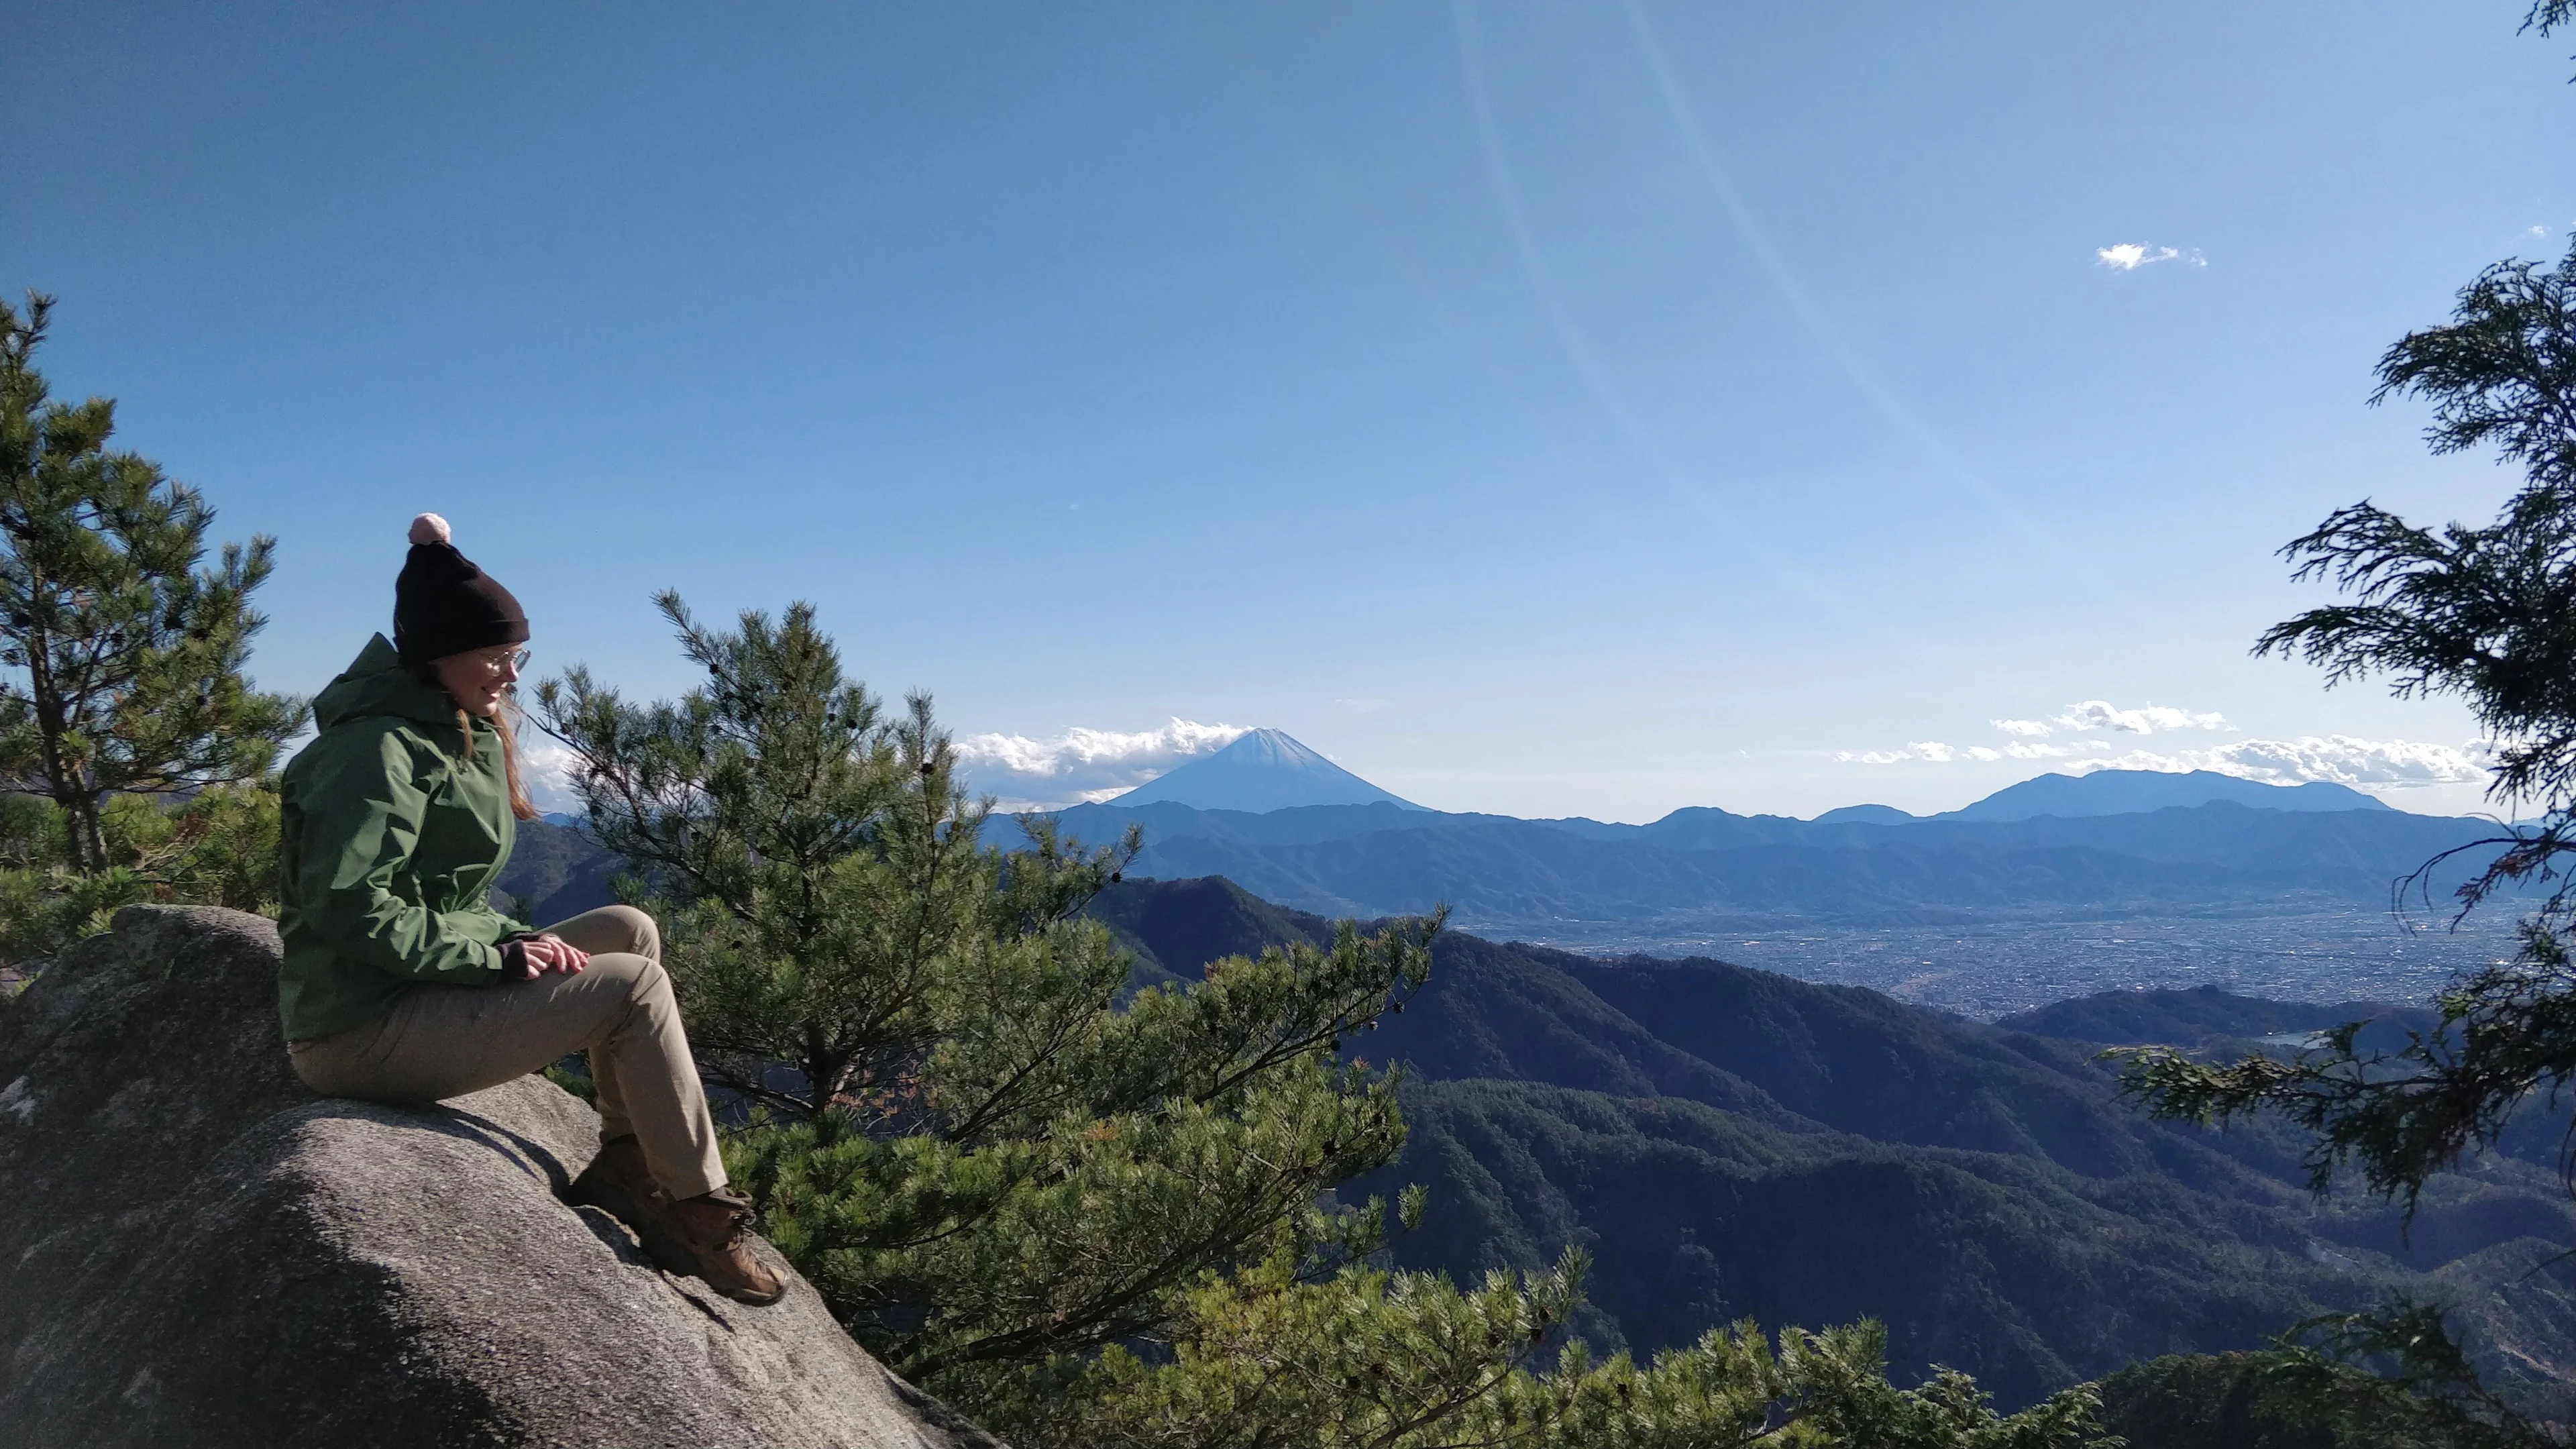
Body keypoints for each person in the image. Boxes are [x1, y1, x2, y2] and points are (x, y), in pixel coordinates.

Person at [274, 513, 783, 1305]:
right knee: (630, 989)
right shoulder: (375, 753)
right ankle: (697, 1210)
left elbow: (443, 899)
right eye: (497, 655)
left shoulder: (450, 729)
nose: (511, 673)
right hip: (357, 1030)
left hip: (410, 991)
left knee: (628, 930)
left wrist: (508, 938)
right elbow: (350, 908)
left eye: (517, 654)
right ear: (438, 653)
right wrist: (495, 957)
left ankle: (627, 1162)